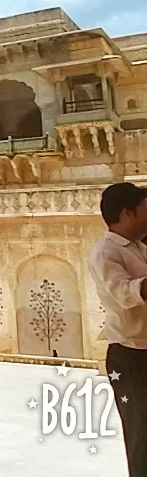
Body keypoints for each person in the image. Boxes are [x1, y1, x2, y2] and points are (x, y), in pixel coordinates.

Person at [89, 182, 147, 477]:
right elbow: (124, 294)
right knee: (141, 439)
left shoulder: (138, 247)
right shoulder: (106, 251)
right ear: (127, 213)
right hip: (131, 358)